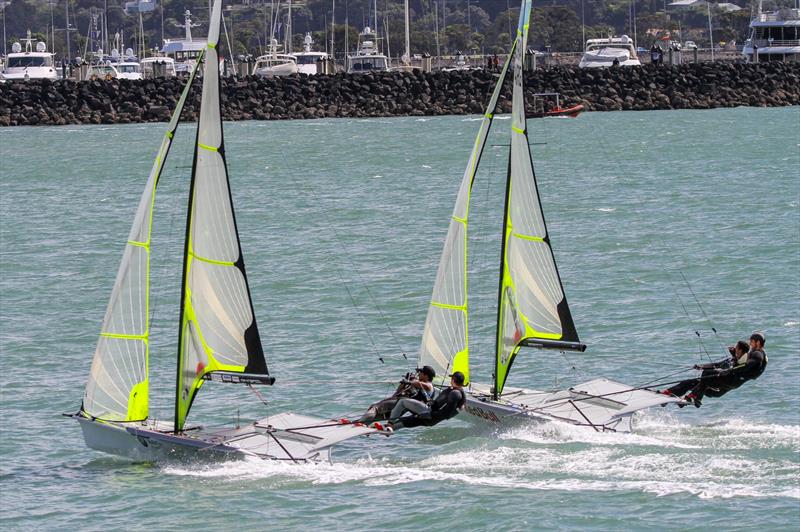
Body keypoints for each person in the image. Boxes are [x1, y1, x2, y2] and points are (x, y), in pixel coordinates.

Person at [662, 332, 768, 408]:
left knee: (707, 374)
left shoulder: (758, 354)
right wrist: (701, 366)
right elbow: (719, 364)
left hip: (730, 381)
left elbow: (746, 366)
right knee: (693, 382)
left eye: (752, 341)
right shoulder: (745, 356)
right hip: (727, 383)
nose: (750, 343)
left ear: (758, 342)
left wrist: (730, 370)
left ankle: (695, 397)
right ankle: (670, 393)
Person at [389, 371, 467, 431]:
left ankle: (390, 423)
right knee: (409, 421)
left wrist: (430, 414)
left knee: (403, 401)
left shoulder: (455, 394)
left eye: (451, 379)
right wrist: (432, 403)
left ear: (453, 380)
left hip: (430, 414)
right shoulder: (455, 391)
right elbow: (441, 405)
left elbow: (447, 413)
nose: (450, 380)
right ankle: (389, 428)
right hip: (431, 416)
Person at [357, 366, 436, 424]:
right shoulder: (419, 384)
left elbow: (419, 384)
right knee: (379, 412)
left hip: (405, 406)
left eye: (420, 373)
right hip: (400, 406)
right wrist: (404, 383)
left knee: (376, 408)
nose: (418, 374)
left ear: (426, 376)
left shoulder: (429, 386)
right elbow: (397, 393)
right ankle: (363, 423)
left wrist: (410, 382)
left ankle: (361, 423)